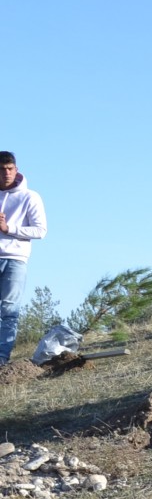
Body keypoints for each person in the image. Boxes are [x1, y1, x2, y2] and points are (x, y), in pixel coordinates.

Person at [0, 152, 47, 365]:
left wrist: (8, 228)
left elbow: (40, 231)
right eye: (2, 169)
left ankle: (1, 358)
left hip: (15, 259)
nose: (6, 173)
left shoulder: (30, 196)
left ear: (16, 169)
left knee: (9, 310)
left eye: (10, 168)